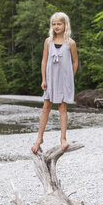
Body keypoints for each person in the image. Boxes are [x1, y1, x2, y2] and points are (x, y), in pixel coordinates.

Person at [31, 12, 78, 153]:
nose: (56, 26)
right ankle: (39, 138)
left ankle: (63, 138)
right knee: (46, 107)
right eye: (54, 24)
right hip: (50, 79)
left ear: (65, 25)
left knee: (62, 108)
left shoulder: (70, 43)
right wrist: (44, 79)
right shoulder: (48, 41)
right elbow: (44, 61)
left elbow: (75, 62)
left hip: (64, 81)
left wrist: (70, 77)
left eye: (59, 24)